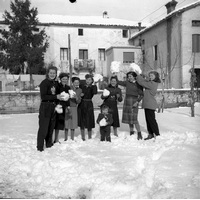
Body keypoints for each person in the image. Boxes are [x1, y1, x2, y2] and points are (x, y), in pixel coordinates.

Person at [36, 66, 62, 151]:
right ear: (48, 73)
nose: (52, 74)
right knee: (44, 127)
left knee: (51, 126)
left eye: (54, 73)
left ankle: (48, 144)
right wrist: (55, 96)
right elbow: (43, 96)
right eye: (51, 73)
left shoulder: (55, 83)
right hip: (45, 106)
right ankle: (40, 146)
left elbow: (58, 93)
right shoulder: (44, 83)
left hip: (53, 106)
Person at [117, 71, 144, 140]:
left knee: (134, 118)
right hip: (127, 100)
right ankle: (131, 132)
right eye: (128, 76)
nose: (129, 78)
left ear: (134, 76)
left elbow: (141, 95)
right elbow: (119, 82)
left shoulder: (138, 84)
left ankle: (139, 133)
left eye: (130, 76)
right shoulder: (127, 82)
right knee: (129, 118)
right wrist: (114, 75)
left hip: (134, 101)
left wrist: (137, 102)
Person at [136, 71, 161, 140]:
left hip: (150, 104)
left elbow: (141, 82)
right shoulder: (150, 82)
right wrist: (142, 76)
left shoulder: (152, 83)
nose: (150, 77)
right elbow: (145, 80)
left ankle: (157, 134)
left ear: (156, 77)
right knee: (148, 120)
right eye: (150, 75)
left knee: (152, 120)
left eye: (152, 76)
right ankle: (151, 133)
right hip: (147, 104)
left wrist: (138, 75)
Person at [78, 74, 98, 140]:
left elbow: (95, 93)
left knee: (89, 118)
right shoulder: (81, 86)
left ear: (92, 81)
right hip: (82, 103)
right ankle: (83, 136)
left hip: (89, 103)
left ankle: (89, 136)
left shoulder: (93, 87)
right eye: (87, 79)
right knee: (82, 119)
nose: (88, 81)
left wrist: (95, 84)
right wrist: (80, 95)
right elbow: (77, 92)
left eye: (90, 80)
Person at [54, 73, 70, 143]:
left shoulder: (68, 87)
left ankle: (66, 137)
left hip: (65, 106)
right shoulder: (58, 86)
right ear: (60, 79)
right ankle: (56, 139)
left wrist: (68, 106)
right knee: (57, 122)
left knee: (64, 122)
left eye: (66, 79)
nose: (65, 80)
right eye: (63, 79)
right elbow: (55, 95)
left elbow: (68, 98)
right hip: (58, 106)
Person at [65, 77, 82, 141]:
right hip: (68, 106)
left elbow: (79, 101)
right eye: (75, 82)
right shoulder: (68, 88)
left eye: (77, 82)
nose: (76, 83)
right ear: (72, 83)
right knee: (67, 122)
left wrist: (76, 98)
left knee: (73, 122)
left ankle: (72, 137)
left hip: (74, 107)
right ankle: (66, 137)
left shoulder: (80, 90)